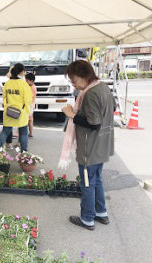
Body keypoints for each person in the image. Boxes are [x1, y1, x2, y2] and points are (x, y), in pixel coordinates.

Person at [59, 60, 114, 231]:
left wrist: (72, 115)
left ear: (84, 76)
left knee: (88, 183)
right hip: (102, 145)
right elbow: (110, 110)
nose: (73, 84)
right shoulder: (103, 87)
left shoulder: (90, 94)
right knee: (96, 180)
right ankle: (101, 212)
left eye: (73, 79)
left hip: (90, 148)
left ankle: (87, 218)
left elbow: (93, 123)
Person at [0, 63, 32, 152]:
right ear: (22, 72)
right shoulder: (24, 84)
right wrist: (27, 111)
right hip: (21, 112)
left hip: (8, 111)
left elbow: (4, 98)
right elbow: (28, 99)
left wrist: (7, 107)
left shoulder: (7, 83)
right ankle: (24, 154)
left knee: (5, 132)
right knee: (23, 133)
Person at [25, 73, 37, 138]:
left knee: (27, 120)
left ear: (31, 80)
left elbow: (30, 97)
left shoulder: (31, 87)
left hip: (29, 105)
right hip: (32, 105)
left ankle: (27, 133)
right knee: (30, 119)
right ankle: (31, 133)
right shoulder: (33, 86)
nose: (26, 82)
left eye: (27, 80)